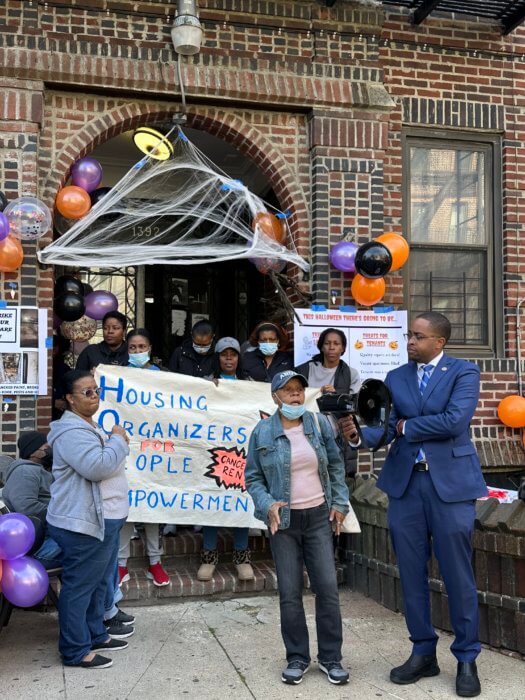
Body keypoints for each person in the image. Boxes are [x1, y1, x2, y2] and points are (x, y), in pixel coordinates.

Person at [350, 312, 487, 698]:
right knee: (410, 573)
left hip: (451, 488)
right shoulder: (396, 378)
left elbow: (455, 421)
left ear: (439, 342)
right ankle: (423, 652)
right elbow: (384, 425)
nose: (409, 342)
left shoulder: (464, 373)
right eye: (409, 336)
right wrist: (359, 433)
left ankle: (466, 657)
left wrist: (407, 428)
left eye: (418, 336)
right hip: (406, 487)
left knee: (458, 575)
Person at [245, 370, 350, 686]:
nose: (295, 395)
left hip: (318, 518)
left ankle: (331, 658)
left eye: (299, 390)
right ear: (275, 397)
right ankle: (297, 658)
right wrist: (267, 504)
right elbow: (253, 478)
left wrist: (339, 503)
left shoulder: (318, 425)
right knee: (290, 593)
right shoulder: (262, 432)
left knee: (328, 590)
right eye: (287, 390)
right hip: (284, 523)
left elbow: (335, 465)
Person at [46, 369, 133, 669]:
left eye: (95, 390)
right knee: (80, 586)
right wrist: (118, 440)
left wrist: (113, 442)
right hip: (84, 524)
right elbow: (96, 467)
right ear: (69, 399)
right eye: (86, 392)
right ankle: (74, 650)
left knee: (97, 583)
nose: (94, 396)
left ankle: (96, 633)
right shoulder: (71, 432)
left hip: (105, 520)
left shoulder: (88, 425)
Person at [197, 337, 253, 582]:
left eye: (233, 354)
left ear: (239, 358)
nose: (229, 358)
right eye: (223, 354)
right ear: (217, 357)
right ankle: (209, 557)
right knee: (213, 503)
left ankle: (242, 558)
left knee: (240, 501)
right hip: (213, 450)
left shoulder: (251, 384)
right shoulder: (207, 383)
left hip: (241, 452)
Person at [118, 329, 170, 587]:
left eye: (142, 347)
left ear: (150, 348)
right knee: (127, 507)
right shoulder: (118, 375)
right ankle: (120, 564)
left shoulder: (163, 377)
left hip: (155, 450)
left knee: (151, 507)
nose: (137, 351)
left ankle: (155, 562)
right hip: (128, 449)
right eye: (133, 348)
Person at [296, 327, 361, 476]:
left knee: (335, 479)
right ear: (321, 346)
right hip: (306, 437)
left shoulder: (351, 374)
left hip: (336, 438)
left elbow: (355, 407)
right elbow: (294, 396)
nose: (331, 347)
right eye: (327, 343)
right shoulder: (305, 370)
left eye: (336, 344)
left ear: (343, 348)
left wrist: (336, 396)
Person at [2, 431, 61, 569]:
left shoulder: (38, 470)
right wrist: (63, 515)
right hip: (39, 547)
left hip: (47, 538)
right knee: (89, 549)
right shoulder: (25, 472)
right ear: (34, 452)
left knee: (94, 547)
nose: (51, 451)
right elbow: (26, 507)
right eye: (47, 448)